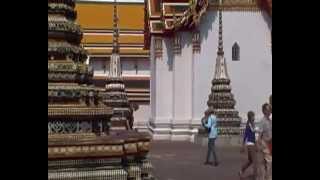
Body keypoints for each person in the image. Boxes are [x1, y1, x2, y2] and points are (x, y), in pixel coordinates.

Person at [239, 111, 257, 179]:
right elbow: (245, 135)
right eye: (253, 116)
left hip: (252, 144)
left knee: (250, 161)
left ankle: (241, 171)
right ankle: (255, 176)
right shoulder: (248, 125)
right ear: (250, 117)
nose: (254, 117)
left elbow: (254, 135)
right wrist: (243, 145)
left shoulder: (252, 124)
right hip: (250, 145)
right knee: (255, 161)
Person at [257, 103, 272, 180]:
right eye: (268, 109)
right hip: (265, 145)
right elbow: (259, 135)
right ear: (264, 111)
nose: (270, 110)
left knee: (264, 164)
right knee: (269, 164)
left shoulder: (270, 121)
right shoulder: (262, 121)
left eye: (270, 109)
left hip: (270, 145)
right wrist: (260, 145)